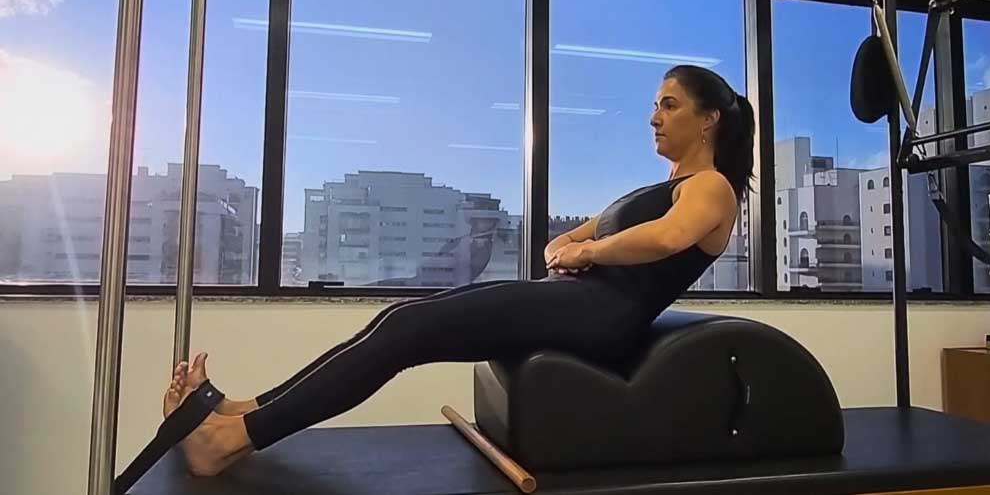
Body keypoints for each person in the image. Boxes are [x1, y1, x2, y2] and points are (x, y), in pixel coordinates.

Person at [162, 65, 756, 476]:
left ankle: (228, 442)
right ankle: (243, 412)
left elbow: (666, 239)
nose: (654, 117)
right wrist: (567, 247)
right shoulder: (662, 188)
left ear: (708, 120)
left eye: (669, 105)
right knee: (399, 319)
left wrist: (587, 253)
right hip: (577, 301)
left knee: (404, 331)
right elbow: (577, 233)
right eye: (655, 105)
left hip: (601, 316)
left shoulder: (712, 188)